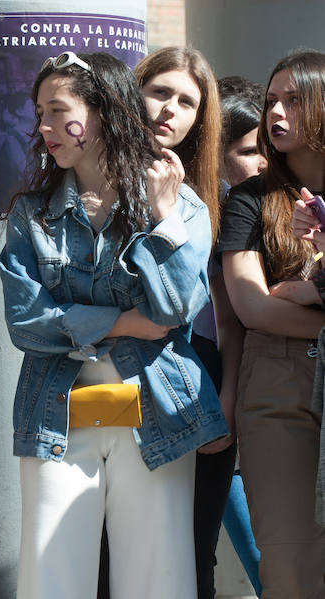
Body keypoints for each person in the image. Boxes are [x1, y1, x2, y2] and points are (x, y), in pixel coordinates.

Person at [0, 51, 227, 599]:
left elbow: (173, 309)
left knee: (158, 581)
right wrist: (123, 322)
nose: (44, 126)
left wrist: (163, 219)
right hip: (57, 412)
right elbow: (25, 323)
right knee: (49, 579)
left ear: (103, 112)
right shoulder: (31, 214)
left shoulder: (182, 206)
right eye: (40, 113)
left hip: (157, 407)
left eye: (58, 111)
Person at [134, 46, 242, 599]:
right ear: (134, 91)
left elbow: (228, 314)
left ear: (201, 118)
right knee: (117, 556)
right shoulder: (94, 182)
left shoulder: (213, 197)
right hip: (120, 376)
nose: (169, 110)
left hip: (197, 375)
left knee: (193, 553)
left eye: (186, 102)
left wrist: (227, 398)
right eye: (160, 92)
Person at [221, 50, 325, 597]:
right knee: (287, 564)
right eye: (271, 101)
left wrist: (312, 293)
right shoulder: (249, 200)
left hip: (292, 347)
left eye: (295, 100)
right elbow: (253, 307)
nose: (277, 113)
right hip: (278, 382)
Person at [216, 75, 266, 597]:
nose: (265, 162)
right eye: (249, 151)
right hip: (224, 414)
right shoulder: (209, 221)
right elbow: (233, 320)